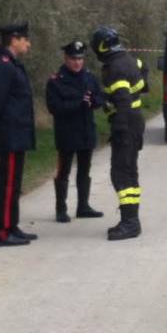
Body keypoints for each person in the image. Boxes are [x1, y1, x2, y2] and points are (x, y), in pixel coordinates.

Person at [0, 22, 37, 247]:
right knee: (8, 184)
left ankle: (11, 225)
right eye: (25, 39)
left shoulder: (11, 64)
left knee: (14, 183)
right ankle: (1, 232)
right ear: (14, 39)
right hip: (8, 135)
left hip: (17, 134)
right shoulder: (2, 65)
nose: (28, 44)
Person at [90, 26, 146, 241]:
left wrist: (119, 130)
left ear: (102, 47)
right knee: (129, 171)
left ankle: (130, 223)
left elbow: (122, 99)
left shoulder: (115, 67)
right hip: (135, 123)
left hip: (126, 126)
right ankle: (131, 220)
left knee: (121, 173)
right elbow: (143, 80)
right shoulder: (129, 60)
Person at [46, 40, 104, 223]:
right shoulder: (57, 80)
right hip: (67, 133)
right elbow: (54, 107)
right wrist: (77, 104)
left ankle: (83, 206)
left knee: (84, 171)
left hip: (86, 131)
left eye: (80, 58)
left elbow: (100, 98)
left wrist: (92, 101)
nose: (77, 62)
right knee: (64, 171)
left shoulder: (89, 76)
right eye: (73, 59)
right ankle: (61, 209)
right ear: (65, 58)